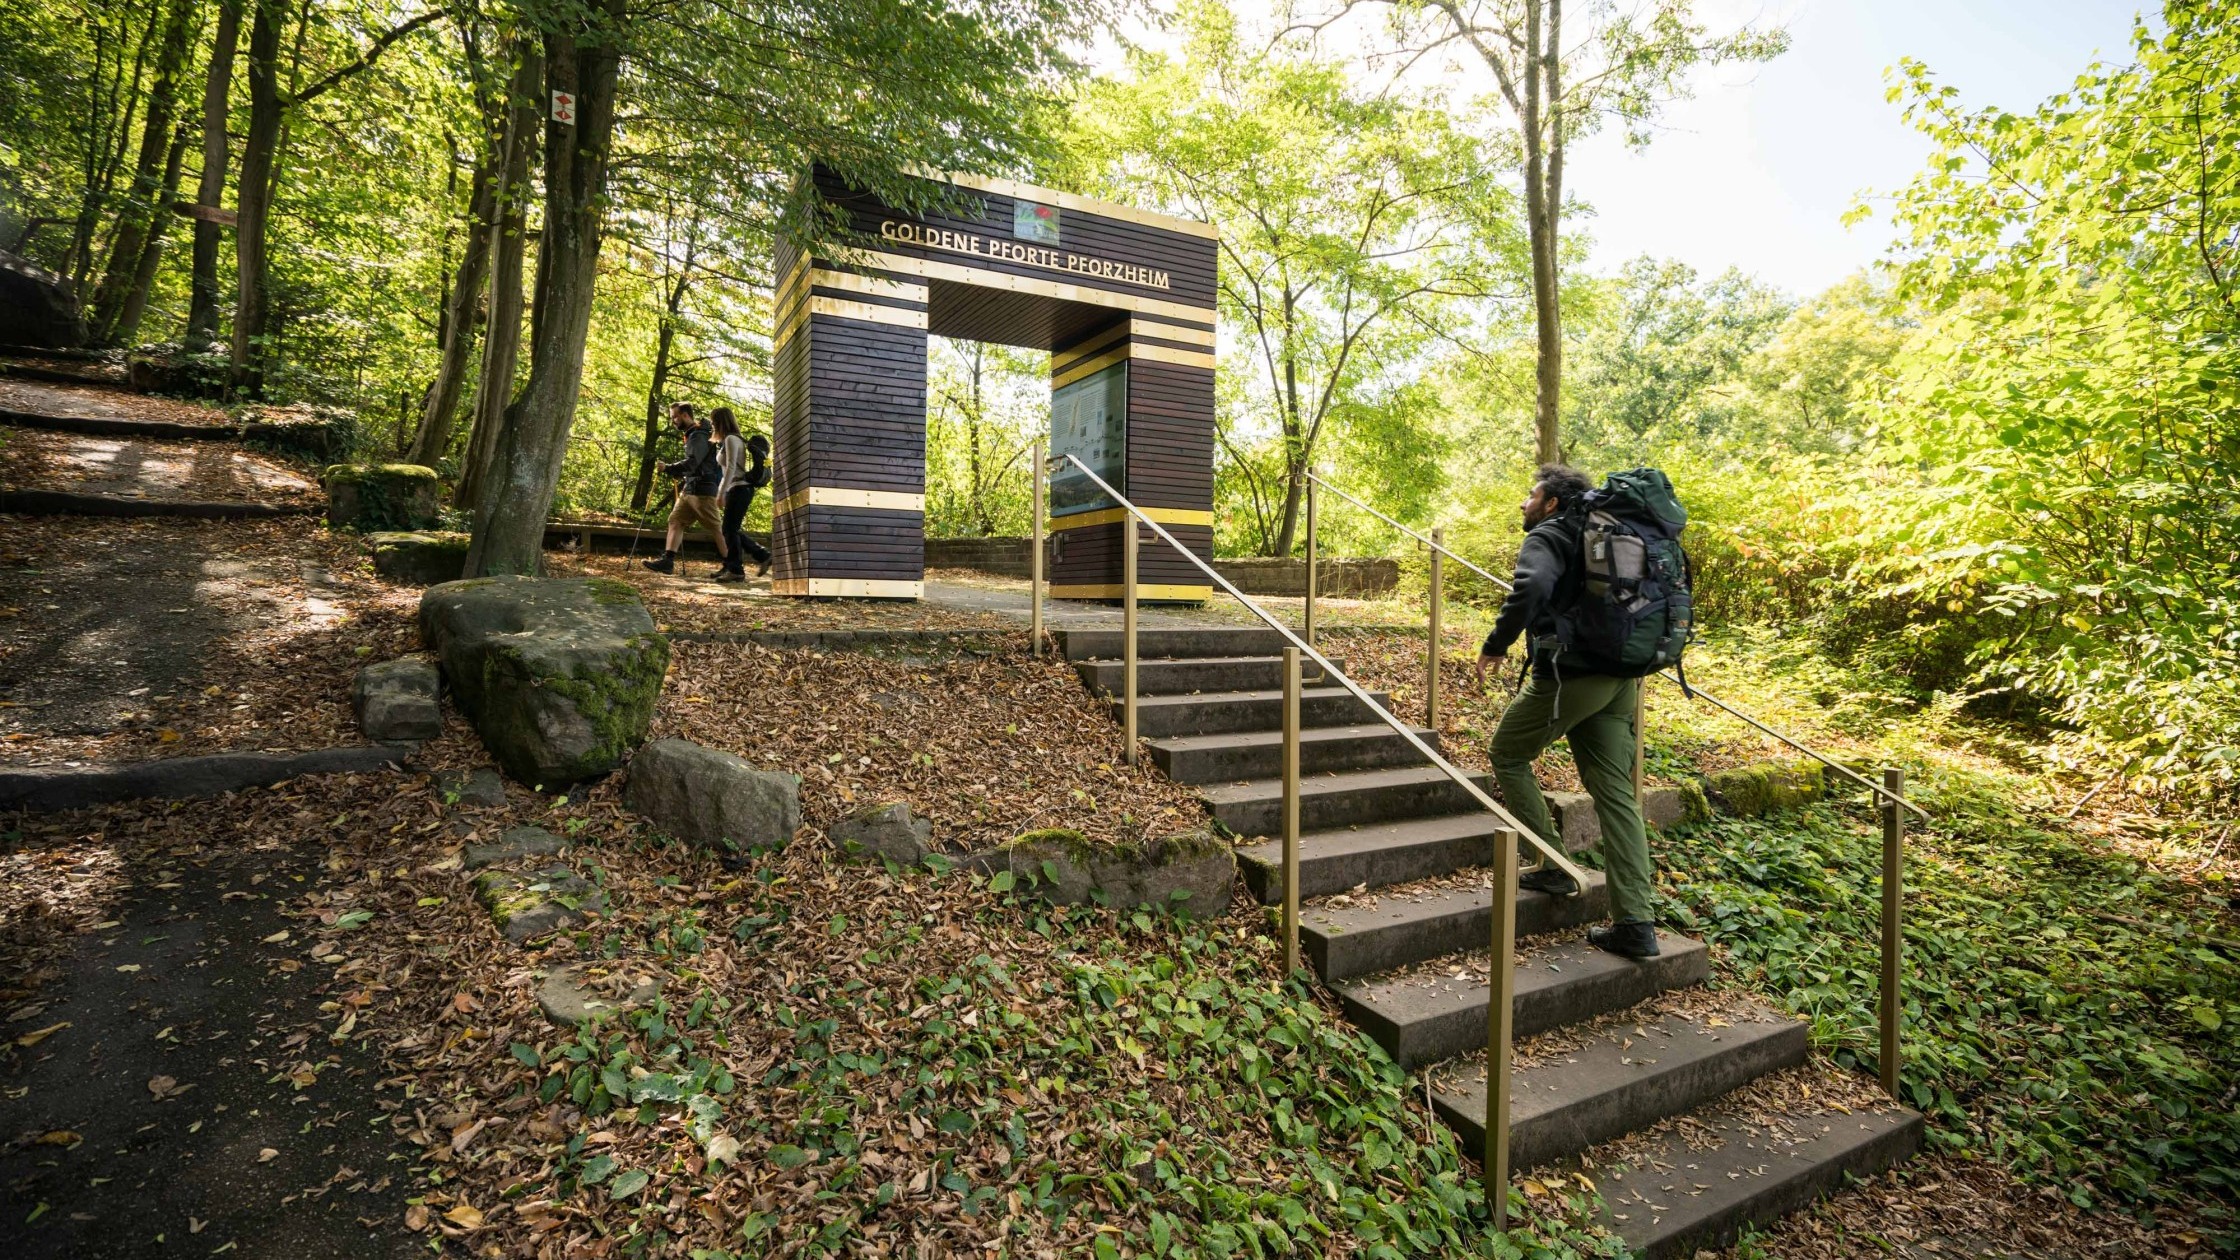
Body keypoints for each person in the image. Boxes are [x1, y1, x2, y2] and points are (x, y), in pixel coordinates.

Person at [1473, 464, 1660, 960]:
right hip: (1621, 679)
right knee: (1617, 797)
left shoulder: (1550, 534)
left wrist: (1496, 645)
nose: (1524, 503)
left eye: (1530, 494)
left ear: (1551, 502)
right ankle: (1636, 924)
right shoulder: (1607, 534)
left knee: (1507, 753)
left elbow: (1531, 588)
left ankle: (1553, 863)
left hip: (1570, 675)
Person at [642, 402, 727, 576]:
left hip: (702, 490)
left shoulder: (698, 435)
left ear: (686, 415)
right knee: (675, 520)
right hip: (691, 489)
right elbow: (695, 464)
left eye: (675, 417)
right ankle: (667, 561)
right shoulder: (694, 434)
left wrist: (669, 468)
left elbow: (693, 462)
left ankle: (732, 565)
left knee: (717, 528)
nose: (673, 421)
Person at [709, 408, 773, 582]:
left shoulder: (731, 439)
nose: (712, 424)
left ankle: (739, 568)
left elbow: (730, 468)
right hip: (737, 489)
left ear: (721, 421)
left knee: (729, 530)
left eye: (714, 421)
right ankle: (739, 564)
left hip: (739, 489)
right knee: (730, 530)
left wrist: (720, 493)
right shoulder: (731, 440)